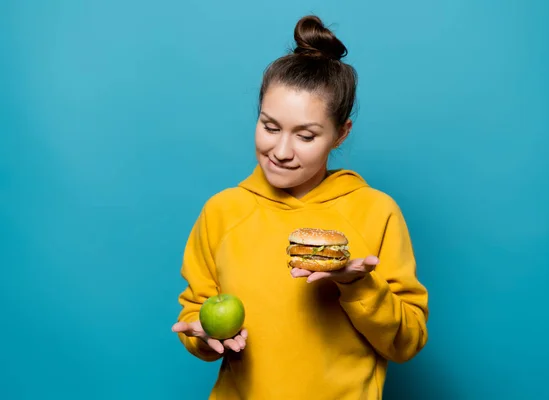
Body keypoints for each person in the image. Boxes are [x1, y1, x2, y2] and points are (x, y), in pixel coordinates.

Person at [171, 14, 429, 400]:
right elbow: (196, 313)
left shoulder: (376, 212)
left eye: (305, 135)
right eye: (270, 126)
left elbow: (406, 343)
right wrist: (205, 337)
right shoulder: (223, 211)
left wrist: (357, 284)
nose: (281, 151)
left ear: (341, 134)